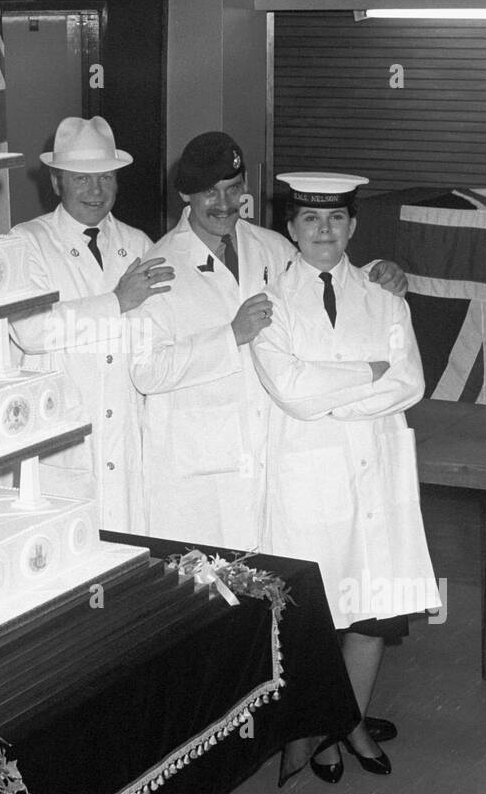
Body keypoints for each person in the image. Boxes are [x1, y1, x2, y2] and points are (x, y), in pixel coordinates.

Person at [129, 132, 407, 551]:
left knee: (272, 594)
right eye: (209, 192)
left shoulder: (272, 247)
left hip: (275, 452)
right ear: (185, 194)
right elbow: (146, 371)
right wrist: (230, 336)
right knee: (207, 592)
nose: (224, 203)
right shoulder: (157, 265)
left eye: (233, 189)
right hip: (200, 465)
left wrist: (378, 271)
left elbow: (324, 275)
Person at [250, 173, 440, 785]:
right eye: (310, 220)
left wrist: (335, 393)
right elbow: (293, 392)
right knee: (321, 613)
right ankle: (321, 730)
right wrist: (368, 373)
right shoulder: (268, 304)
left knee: (372, 611)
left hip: (375, 472)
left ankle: (349, 722)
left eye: (335, 219)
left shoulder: (385, 297)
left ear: (353, 226)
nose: (324, 230)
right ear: (291, 229)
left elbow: (408, 382)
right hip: (309, 477)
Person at [9, 116, 174, 531]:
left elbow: (156, 335)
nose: (95, 191)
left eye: (105, 178)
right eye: (81, 179)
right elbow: (31, 331)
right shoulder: (25, 241)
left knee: (124, 564)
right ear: (56, 182)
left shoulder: (138, 244)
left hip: (126, 441)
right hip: (60, 445)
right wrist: (118, 303)